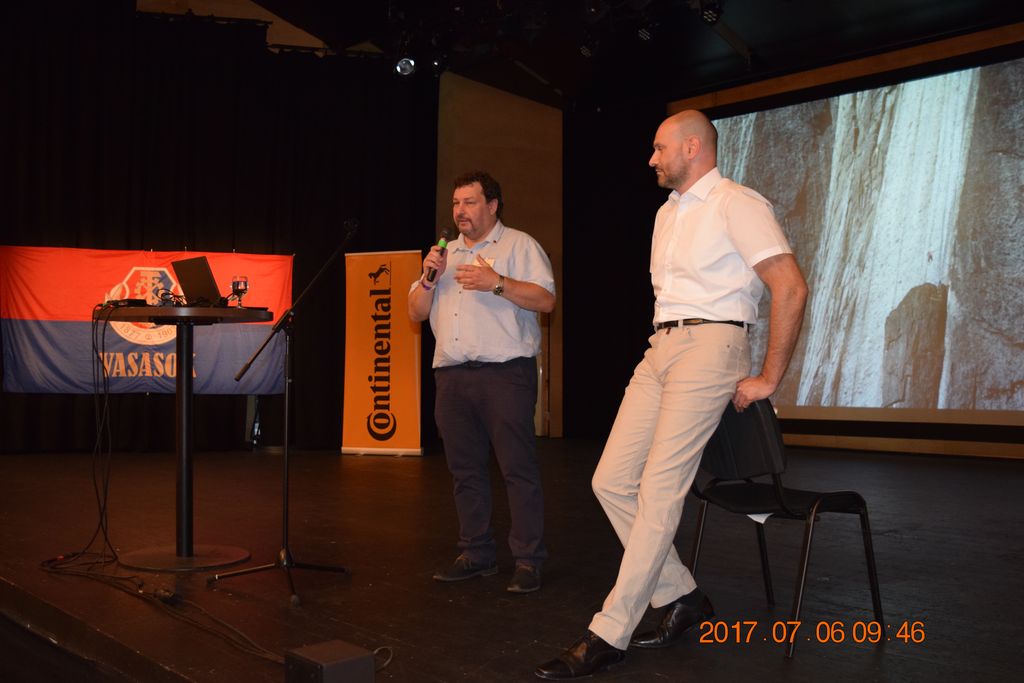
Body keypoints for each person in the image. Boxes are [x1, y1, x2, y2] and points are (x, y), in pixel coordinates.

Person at [535, 110, 808, 679]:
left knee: (660, 490)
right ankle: (682, 595)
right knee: (611, 480)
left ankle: (610, 632)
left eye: (660, 148)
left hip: (713, 345)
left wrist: (769, 377)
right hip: (662, 344)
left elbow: (790, 286)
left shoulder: (737, 203)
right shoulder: (666, 212)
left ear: (692, 147)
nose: (651, 159)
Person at [409, 170, 556, 594]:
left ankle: (528, 560)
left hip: (504, 375)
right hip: (452, 376)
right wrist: (428, 277)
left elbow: (546, 300)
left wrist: (498, 283)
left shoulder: (519, 245)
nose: (460, 211)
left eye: (470, 202)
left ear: (492, 205)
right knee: (465, 471)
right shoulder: (443, 255)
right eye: (456, 203)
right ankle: (476, 553)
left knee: (517, 470)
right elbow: (415, 312)